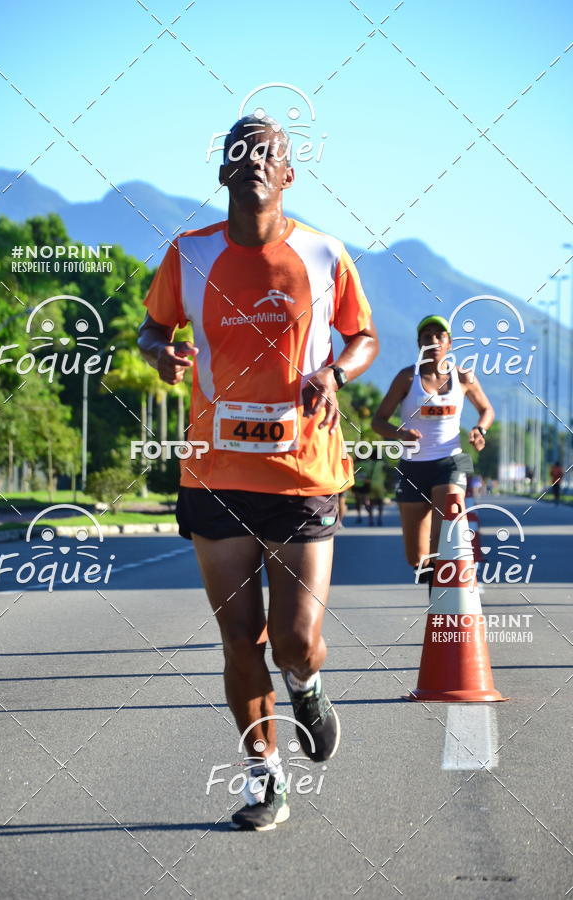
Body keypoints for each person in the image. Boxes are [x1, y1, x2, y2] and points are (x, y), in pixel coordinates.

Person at [138, 115, 378, 831]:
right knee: (239, 639)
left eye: (267, 152)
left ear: (288, 174)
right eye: (238, 151)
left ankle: (304, 685)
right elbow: (155, 326)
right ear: (222, 173)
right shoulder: (188, 254)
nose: (252, 160)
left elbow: (363, 335)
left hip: (304, 471)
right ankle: (263, 777)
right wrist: (159, 352)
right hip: (215, 473)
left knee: (294, 638)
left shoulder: (324, 254)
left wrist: (336, 370)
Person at [371, 314, 493, 593]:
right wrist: (400, 434)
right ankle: (428, 573)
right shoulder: (406, 377)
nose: (434, 341)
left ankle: (443, 595)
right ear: (419, 343)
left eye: (440, 336)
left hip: (452, 460)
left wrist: (480, 430)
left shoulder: (463, 376)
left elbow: (487, 409)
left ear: (449, 343)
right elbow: (378, 421)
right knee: (416, 555)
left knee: (443, 532)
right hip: (413, 465)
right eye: (428, 336)